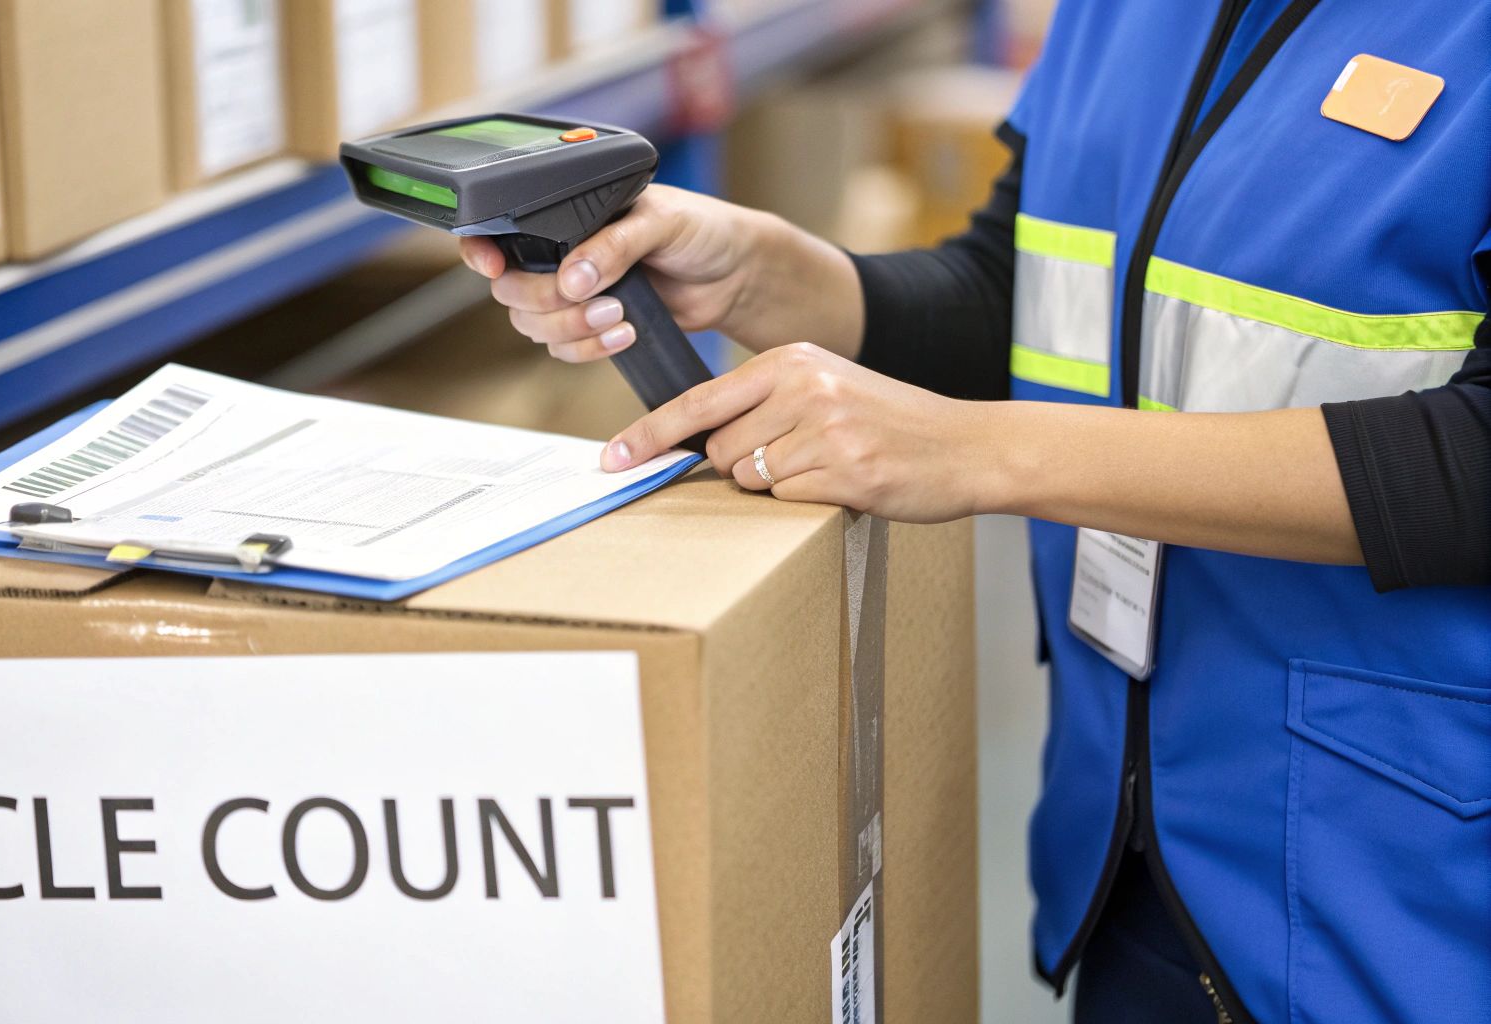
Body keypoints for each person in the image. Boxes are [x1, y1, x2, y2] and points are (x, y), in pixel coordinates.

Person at [459, 3, 1490, 1022]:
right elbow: (1026, 294)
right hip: (1139, 848)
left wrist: (976, 453)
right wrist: (773, 278)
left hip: (1400, 882)